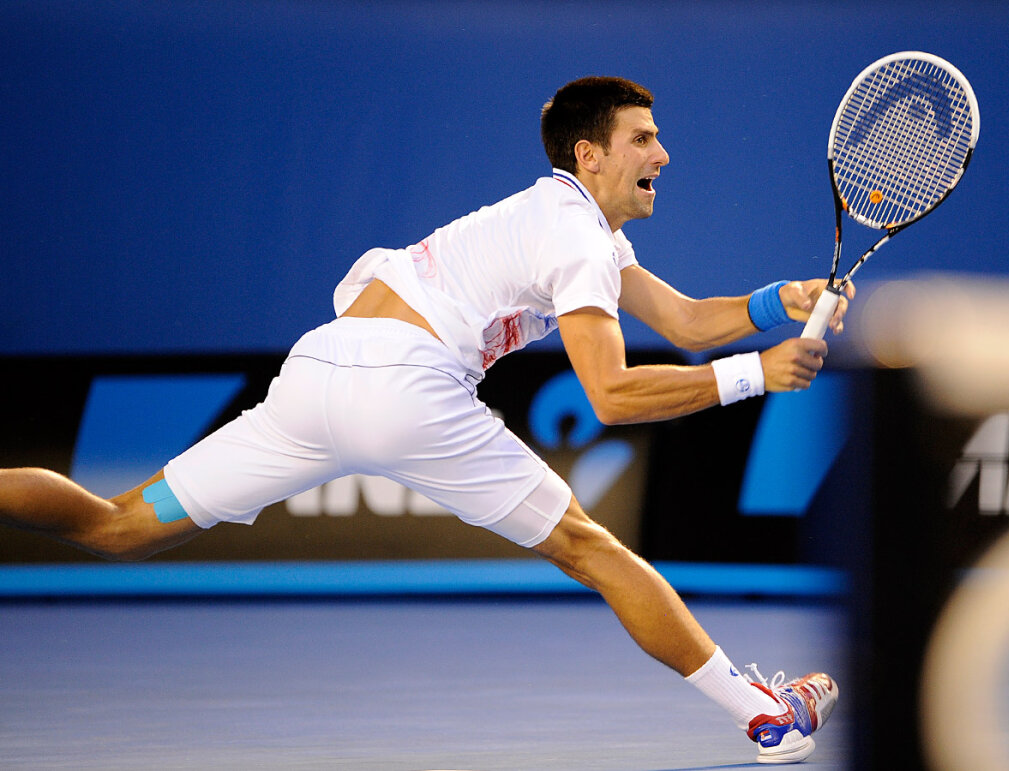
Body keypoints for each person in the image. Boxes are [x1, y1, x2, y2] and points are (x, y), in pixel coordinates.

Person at [0, 76, 850, 764]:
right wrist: (756, 376)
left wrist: (783, 302)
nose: (664, 152)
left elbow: (691, 319)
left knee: (118, 525)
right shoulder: (578, 242)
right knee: (591, 549)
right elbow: (612, 395)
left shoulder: (567, 223)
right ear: (590, 156)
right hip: (408, 388)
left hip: (319, 370)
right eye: (643, 138)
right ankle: (763, 715)